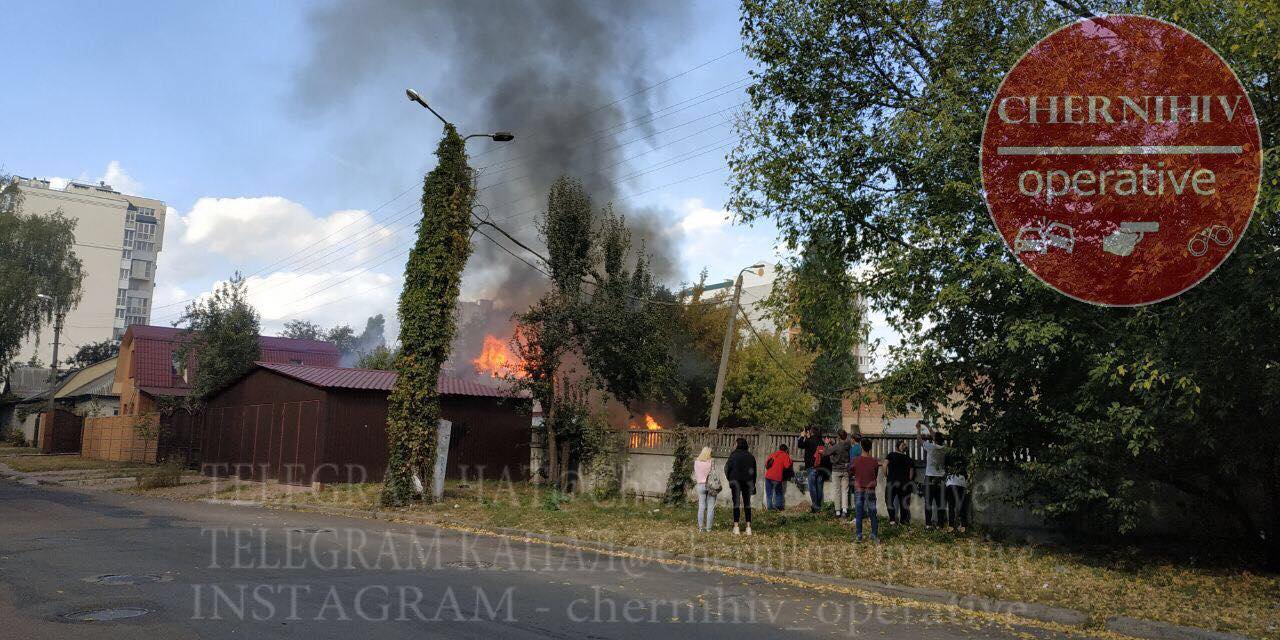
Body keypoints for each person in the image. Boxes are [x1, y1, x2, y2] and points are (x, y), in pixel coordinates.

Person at [850, 441, 882, 543]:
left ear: (861, 447)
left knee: (859, 513)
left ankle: (859, 536)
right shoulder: (874, 461)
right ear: (870, 448)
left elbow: (851, 472)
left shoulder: (856, 460)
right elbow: (875, 474)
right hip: (870, 489)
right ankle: (874, 535)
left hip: (859, 488)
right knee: (872, 513)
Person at [917, 421, 947, 529]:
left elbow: (919, 440)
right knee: (940, 503)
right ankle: (940, 525)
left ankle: (928, 525)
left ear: (934, 439)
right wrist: (928, 426)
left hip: (930, 477)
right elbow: (936, 436)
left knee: (928, 502)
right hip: (941, 478)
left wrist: (918, 429)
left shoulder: (930, 447)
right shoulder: (944, 449)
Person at [724, 437, 757, 535]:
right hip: (747, 482)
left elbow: (726, 468)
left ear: (737, 444)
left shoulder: (733, 455)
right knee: (747, 504)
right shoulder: (751, 456)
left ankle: (736, 527)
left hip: (735, 482)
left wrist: (730, 478)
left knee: (736, 504)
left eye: (735, 443)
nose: (733, 445)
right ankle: (748, 527)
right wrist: (753, 484)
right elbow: (754, 472)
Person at [885, 440, 915, 525]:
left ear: (896, 447)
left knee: (889, 501)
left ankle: (892, 520)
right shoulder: (909, 459)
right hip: (904, 484)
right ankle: (903, 521)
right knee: (904, 503)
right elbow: (911, 474)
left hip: (892, 482)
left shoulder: (891, 455)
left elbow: (884, 465)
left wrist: (887, 476)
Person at [797, 427, 824, 512]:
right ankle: (819, 505)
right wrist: (808, 437)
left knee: (812, 486)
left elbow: (800, 445)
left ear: (811, 432)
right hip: (820, 467)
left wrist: (802, 436)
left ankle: (815, 506)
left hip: (811, 466)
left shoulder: (809, 441)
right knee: (819, 486)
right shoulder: (821, 441)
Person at [828, 432, 853, 517]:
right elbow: (842, 448)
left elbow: (826, 453)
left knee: (837, 491)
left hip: (836, 470)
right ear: (846, 437)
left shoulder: (836, 447)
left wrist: (828, 444)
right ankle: (845, 511)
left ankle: (837, 511)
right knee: (845, 491)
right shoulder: (848, 446)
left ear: (838, 436)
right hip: (845, 470)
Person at [692, 446, 716, 532]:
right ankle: (709, 528)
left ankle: (701, 528)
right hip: (710, 485)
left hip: (700, 485)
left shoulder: (696, 462)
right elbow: (713, 474)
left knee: (701, 507)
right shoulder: (711, 461)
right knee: (711, 507)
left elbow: (696, 473)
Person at [763, 443, 793, 511]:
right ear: (786, 450)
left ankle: (770, 508)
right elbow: (787, 466)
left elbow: (766, 464)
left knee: (769, 493)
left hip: (768, 476)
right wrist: (789, 460)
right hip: (776, 477)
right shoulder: (785, 455)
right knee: (778, 492)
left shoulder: (773, 454)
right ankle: (779, 507)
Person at [945, 464, 969, 533]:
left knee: (951, 506)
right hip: (961, 483)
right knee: (962, 506)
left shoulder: (948, 457)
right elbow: (966, 474)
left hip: (950, 483)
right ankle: (963, 527)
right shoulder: (964, 457)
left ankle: (951, 527)